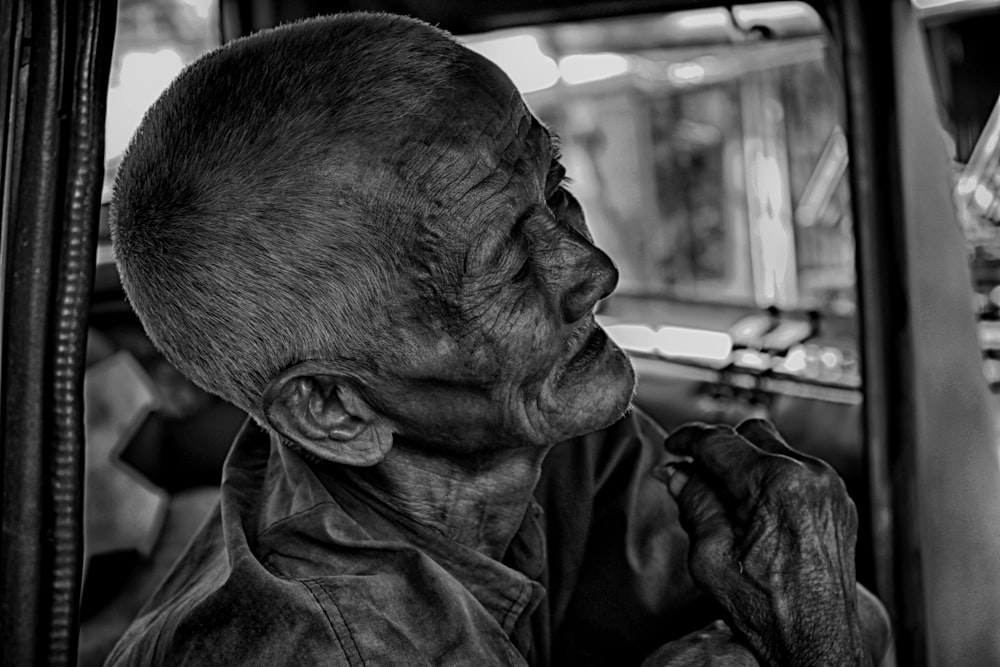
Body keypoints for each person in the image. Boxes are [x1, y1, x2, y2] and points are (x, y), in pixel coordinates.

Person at [106, 12, 891, 666]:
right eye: (507, 264)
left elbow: (835, 609)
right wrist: (813, 650)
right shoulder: (323, 648)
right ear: (333, 409)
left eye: (556, 191)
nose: (593, 269)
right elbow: (819, 624)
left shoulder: (544, 433)